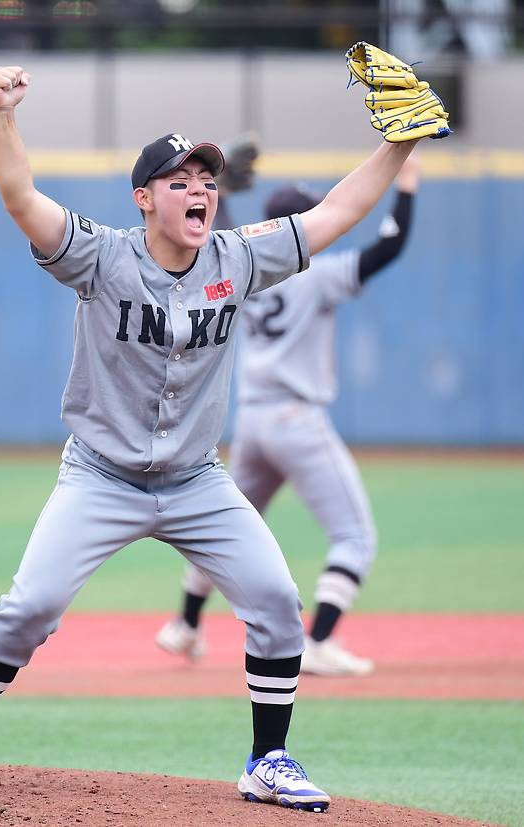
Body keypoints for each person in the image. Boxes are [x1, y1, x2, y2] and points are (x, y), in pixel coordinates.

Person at [0, 63, 420, 812]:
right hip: (100, 477)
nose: (200, 189)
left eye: (207, 179)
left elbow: (338, 211)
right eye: (179, 181)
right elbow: (20, 197)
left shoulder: (238, 257)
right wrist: (2, 114)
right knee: (29, 607)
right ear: (143, 198)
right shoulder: (102, 255)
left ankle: (267, 759)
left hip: (196, 481)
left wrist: (401, 143)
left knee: (277, 599)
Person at [156, 155, 420, 675]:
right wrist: (407, 185)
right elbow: (389, 247)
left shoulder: (243, 272)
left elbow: (218, 240)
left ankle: (185, 624)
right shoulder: (317, 274)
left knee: (220, 530)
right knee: (355, 537)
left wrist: (225, 194)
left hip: (252, 423)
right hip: (297, 421)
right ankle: (319, 641)